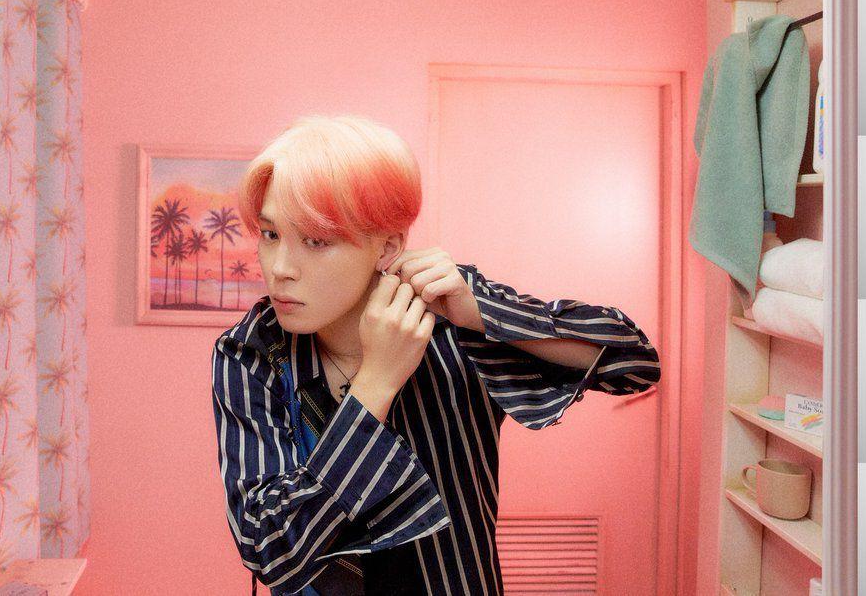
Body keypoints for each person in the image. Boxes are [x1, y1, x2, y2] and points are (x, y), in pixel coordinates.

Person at [210, 114, 661, 595]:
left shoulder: (450, 311)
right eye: (270, 234)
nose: (279, 268)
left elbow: (634, 364)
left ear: (387, 247)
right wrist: (376, 384)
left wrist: (481, 312)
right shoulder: (250, 352)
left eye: (315, 241)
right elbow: (270, 548)